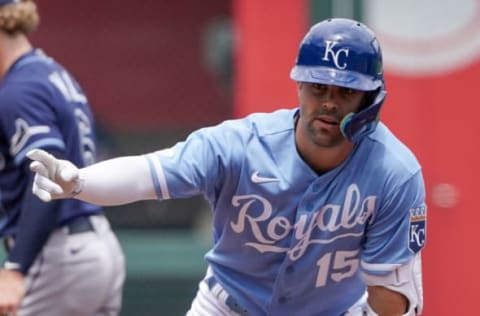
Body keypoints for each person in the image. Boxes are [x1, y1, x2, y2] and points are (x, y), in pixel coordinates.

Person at [27, 17, 427, 316]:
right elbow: (150, 173)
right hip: (226, 306)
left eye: (345, 92)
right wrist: (79, 181)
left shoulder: (393, 172)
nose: (329, 102)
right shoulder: (241, 144)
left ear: (370, 100)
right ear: (300, 86)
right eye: (318, 86)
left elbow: (391, 295)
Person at [0, 0, 125, 315]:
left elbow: (46, 177)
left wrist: (16, 268)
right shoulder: (50, 73)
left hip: (58, 254)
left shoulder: (20, 89)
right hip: (96, 242)